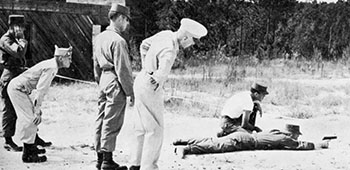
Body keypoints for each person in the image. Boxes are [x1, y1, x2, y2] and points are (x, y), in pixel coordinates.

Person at [129, 18, 207, 170]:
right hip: (150, 86)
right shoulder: (170, 49)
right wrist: (155, 78)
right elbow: (162, 73)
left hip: (141, 79)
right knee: (155, 130)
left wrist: (146, 67)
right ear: (185, 37)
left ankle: (135, 164)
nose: (192, 44)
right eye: (192, 40)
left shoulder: (166, 34)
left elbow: (144, 44)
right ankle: (148, 167)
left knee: (140, 127)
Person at [7, 44, 72, 162]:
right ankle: (28, 154)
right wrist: (37, 110)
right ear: (61, 58)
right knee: (30, 118)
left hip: (21, 89)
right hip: (17, 89)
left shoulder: (53, 65)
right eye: (69, 58)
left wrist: (37, 108)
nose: (71, 61)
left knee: (32, 117)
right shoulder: (51, 67)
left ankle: (31, 146)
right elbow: (41, 90)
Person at [93, 3, 134, 170]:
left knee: (101, 119)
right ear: (119, 18)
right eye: (126, 20)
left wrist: (100, 81)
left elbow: (95, 64)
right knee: (112, 121)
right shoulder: (118, 41)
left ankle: (99, 158)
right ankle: (107, 161)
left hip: (103, 79)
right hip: (115, 81)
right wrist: (130, 93)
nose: (127, 24)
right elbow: (123, 69)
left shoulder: (100, 38)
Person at [174, 124, 329, 158]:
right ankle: (187, 149)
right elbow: (299, 146)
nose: (297, 137)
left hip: (244, 136)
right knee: (216, 146)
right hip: (245, 141)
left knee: (212, 140)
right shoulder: (284, 138)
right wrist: (319, 145)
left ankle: (182, 140)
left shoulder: (274, 131)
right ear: (291, 134)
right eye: (296, 135)